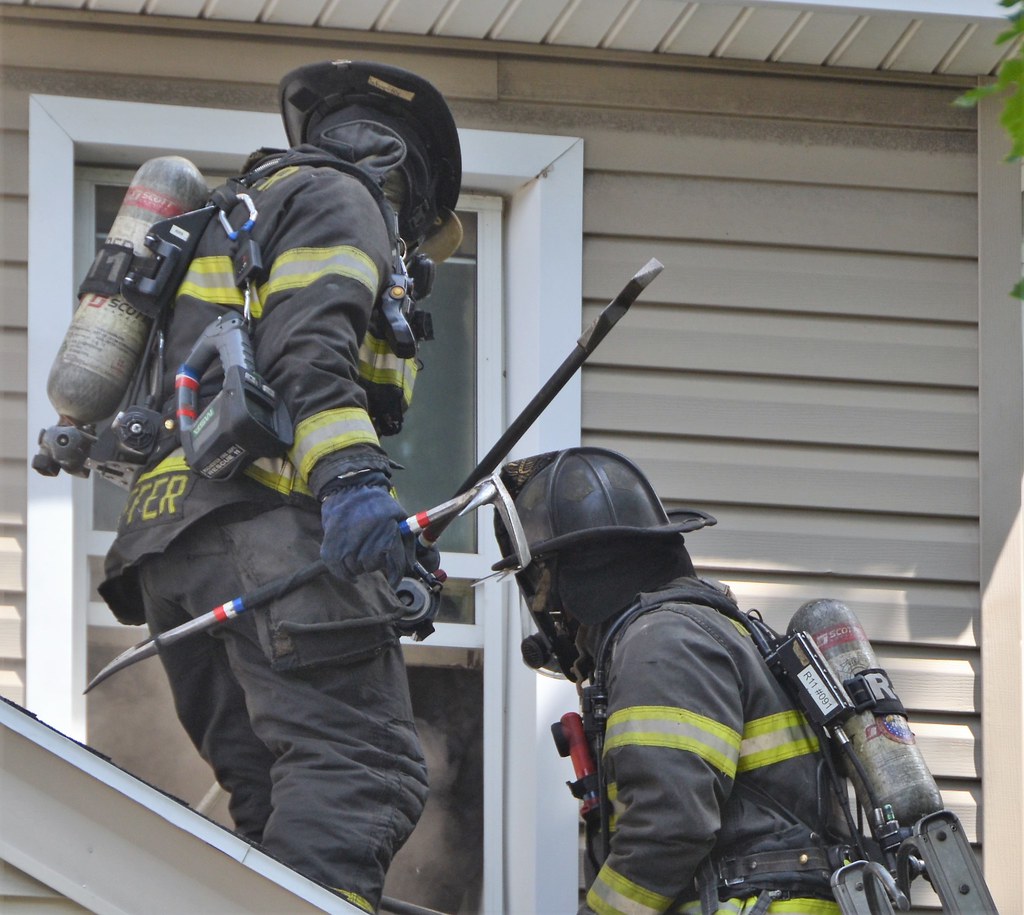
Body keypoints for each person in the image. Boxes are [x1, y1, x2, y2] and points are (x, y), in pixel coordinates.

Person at [95, 60, 462, 913]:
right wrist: (353, 482)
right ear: (397, 167)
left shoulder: (237, 218)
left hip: (170, 549)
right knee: (363, 771)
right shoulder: (342, 199)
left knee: (270, 802)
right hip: (263, 530)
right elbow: (307, 354)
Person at [493, 447, 845, 915]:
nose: (547, 610)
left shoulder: (660, 642)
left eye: (542, 586)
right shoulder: (700, 627)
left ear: (574, 577)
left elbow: (671, 824)